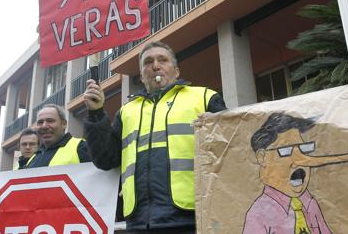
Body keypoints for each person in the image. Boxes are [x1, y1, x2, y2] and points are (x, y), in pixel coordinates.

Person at [84, 41, 227, 233]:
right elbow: (105, 159)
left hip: (193, 219)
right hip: (139, 223)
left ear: (176, 71)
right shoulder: (126, 112)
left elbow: (229, 151)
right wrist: (96, 113)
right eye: (148, 62)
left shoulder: (204, 97)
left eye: (163, 60)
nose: (155, 65)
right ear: (142, 76)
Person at [26, 103, 91, 167]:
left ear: (64, 124)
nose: (44, 126)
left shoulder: (82, 147)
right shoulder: (33, 158)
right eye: (40, 122)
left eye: (50, 121)